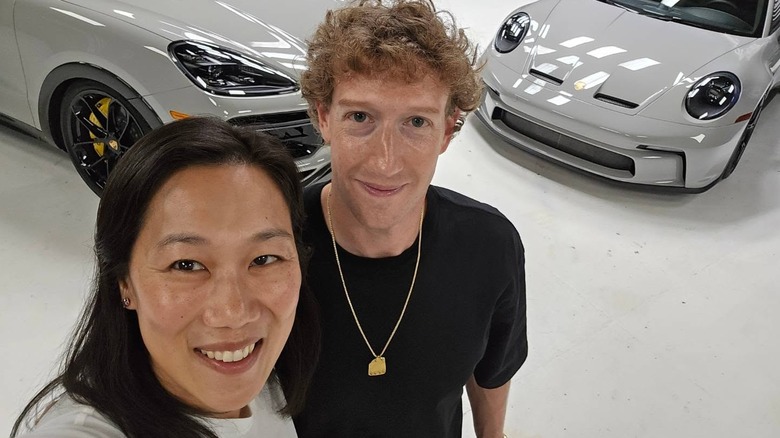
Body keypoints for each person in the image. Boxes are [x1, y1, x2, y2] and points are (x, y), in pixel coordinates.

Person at [293, 1, 528, 437]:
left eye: (415, 122)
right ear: (324, 118)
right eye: (360, 117)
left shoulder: (490, 245)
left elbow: (492, 369)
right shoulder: (273, 246)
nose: (385, 162)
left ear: (446, 130)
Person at [11, 117, 319, 438]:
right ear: (123, 281)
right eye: (186, 265)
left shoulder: (267, 375)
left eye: (264, 258)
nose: (233, 314)